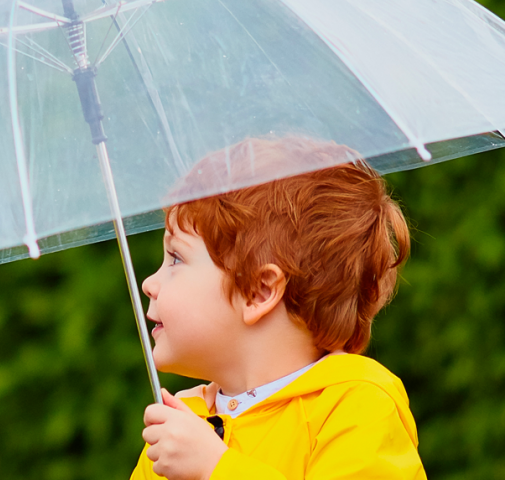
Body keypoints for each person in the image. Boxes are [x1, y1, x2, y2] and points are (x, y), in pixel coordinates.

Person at [130, 137, 425, 480]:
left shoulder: (356, 405)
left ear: (259, 291)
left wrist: (216, 469)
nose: (149, 283)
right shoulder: (181, 428)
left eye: (176, 258)